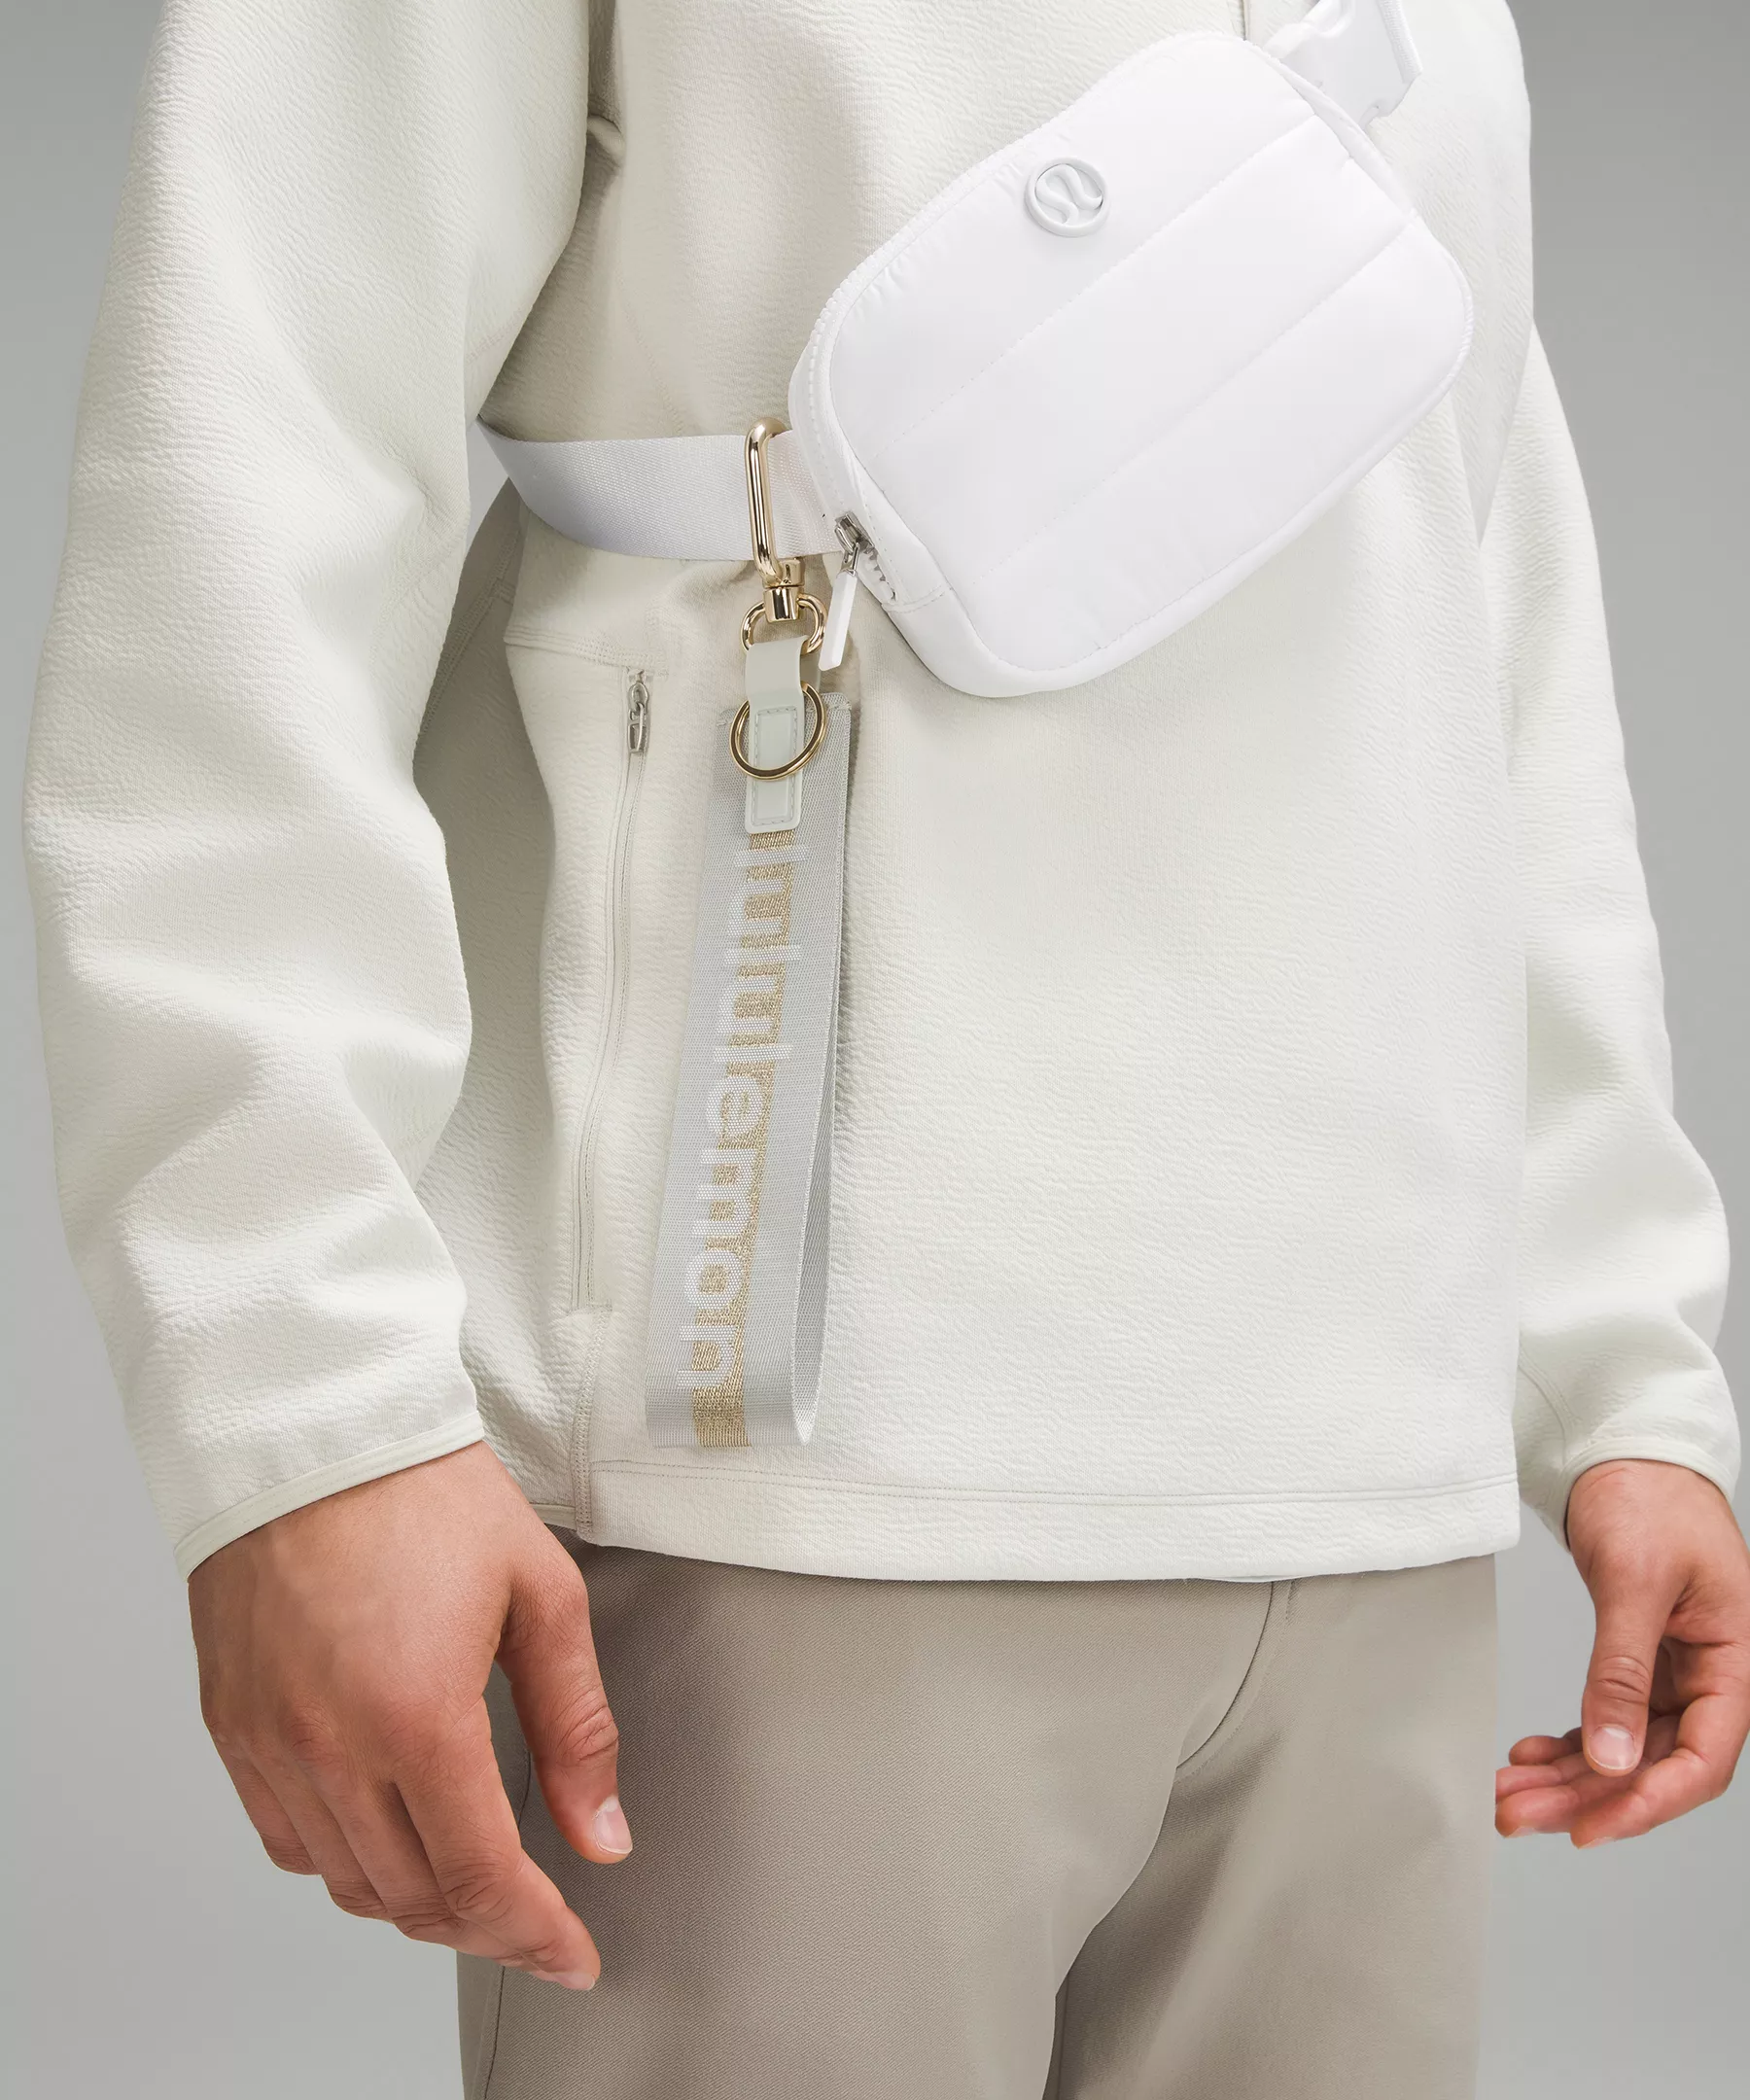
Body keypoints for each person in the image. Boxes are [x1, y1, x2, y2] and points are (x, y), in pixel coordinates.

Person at [23, 3, 1747, 2096]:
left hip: (1372, 1491)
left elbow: (1478, 622)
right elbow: (239, 515)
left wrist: (1621, 1368)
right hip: (801, 1486)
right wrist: (306, 1415)